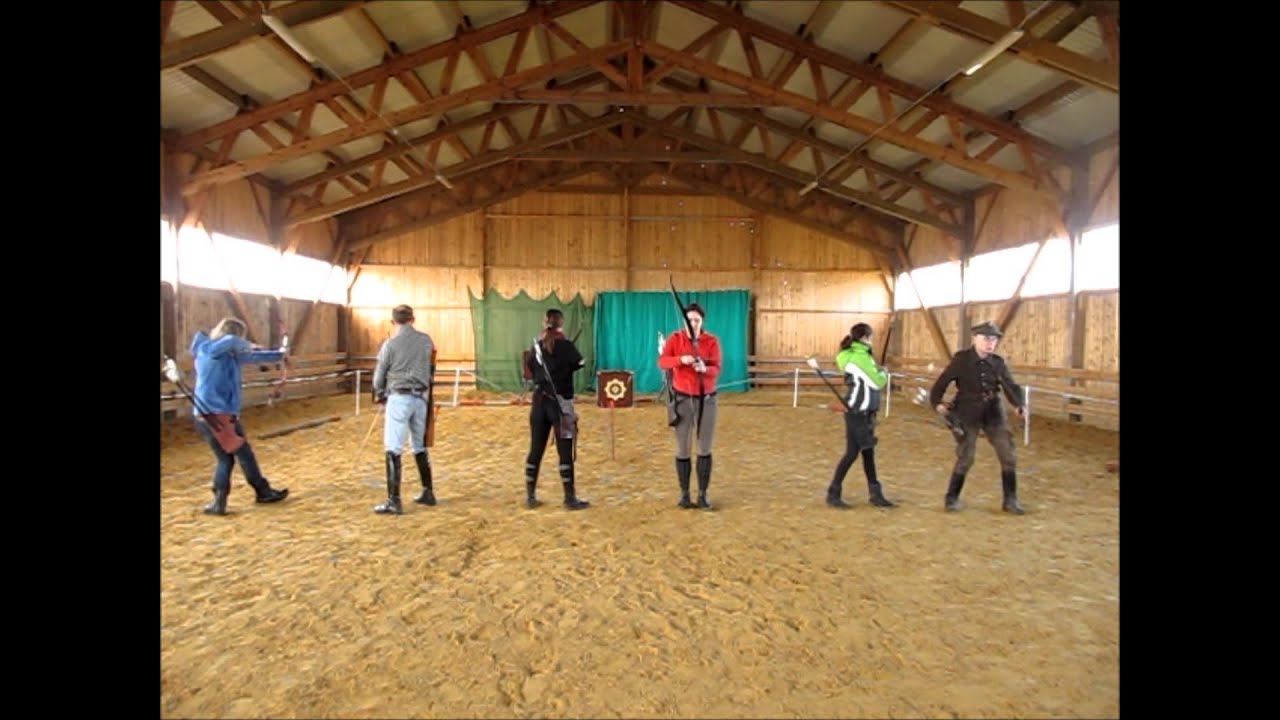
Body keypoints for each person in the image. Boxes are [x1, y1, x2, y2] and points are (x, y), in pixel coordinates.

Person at [189, 317, 290, 516]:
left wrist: (279, 355)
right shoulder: (208, 350)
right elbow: (232, 342)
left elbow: (253, 357)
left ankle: (221, 502)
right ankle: (261, 491)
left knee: (226, 458)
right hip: (217, 416)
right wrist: (249, 344)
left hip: (212, 415)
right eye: (239, 337)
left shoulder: (228, 354)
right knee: (240, 455)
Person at [929, 321, 1026, 514]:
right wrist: (937, 403)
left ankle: (1010, 500)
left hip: (993, 412)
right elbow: (941, 383)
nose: (990, 343)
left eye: (994, 339)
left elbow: (1010, 385)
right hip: (966, 411)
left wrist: (1019, 404)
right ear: (975, 339)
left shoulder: (998, 363)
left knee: (1008, 454)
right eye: (986, 338)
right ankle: (951, 498)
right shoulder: (961, 360)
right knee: (967, 457)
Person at [371, 304, 436, 515]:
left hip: (399, 397)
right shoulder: (426, 340)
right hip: (421, 398)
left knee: (393, 447)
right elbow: (430, 367)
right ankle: (428, 491)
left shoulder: (390, 344)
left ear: (394, 322)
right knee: (419, 445)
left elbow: (379, 375)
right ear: (412, 319)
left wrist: (379, 392)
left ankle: (394, 500)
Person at [523, 308, 590, 510]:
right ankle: (569, 498)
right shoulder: (566, 345)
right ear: (561, 324)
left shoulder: (536, 347)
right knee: (564, 451)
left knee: (536, 449)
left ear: (545, 323)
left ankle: (530, 496)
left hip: (539, 402)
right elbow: (580, 362)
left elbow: (531, 369)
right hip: (561, 403)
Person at [658, 303, 722, 509]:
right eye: (689, 320)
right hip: (682, 400)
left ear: (702, 322)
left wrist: (705, 368)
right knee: (683, 448)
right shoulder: (675, 339)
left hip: (707, 400)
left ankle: (702, 495)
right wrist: (680, 359)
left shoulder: (711, 341)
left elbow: (716, 367)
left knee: (704, 447)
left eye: (697, 320)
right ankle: (685, 495)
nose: (693, 323)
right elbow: (663, 362)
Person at [826, 323, 895, 509]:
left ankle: (875, 493)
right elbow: (877, 382)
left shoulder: (858, 355)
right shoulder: (860, 357)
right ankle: (833, 492)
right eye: (870, 337)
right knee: (853, 453)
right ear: (865, 337)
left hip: (862, 411)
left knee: (867, 451)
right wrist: (884, 373)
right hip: (858, 410)